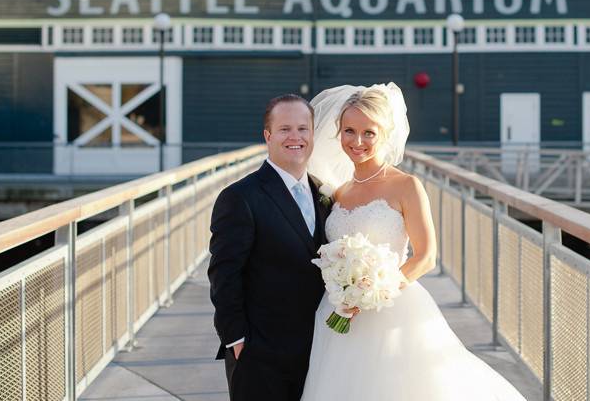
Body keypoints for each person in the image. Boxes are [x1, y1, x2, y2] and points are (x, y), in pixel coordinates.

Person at [301, 83, 527, 401]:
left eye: (369, 132)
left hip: (391, 307)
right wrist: (345, 292)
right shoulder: (339, 192)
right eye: (349, 130)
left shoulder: (406, 186)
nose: (357, 141)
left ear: (385, 133)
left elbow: (426, 256)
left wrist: (372, 292)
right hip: (340, 313)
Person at [208, 94, 331, 401]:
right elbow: (224, 275)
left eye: (303, 129)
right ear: (267, 136)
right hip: (260, 354)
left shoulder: (325, 194)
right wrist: (236, 339)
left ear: (313, 135)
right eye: (285, 129)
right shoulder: (239, 197)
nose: (295, 137)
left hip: (319, 350)